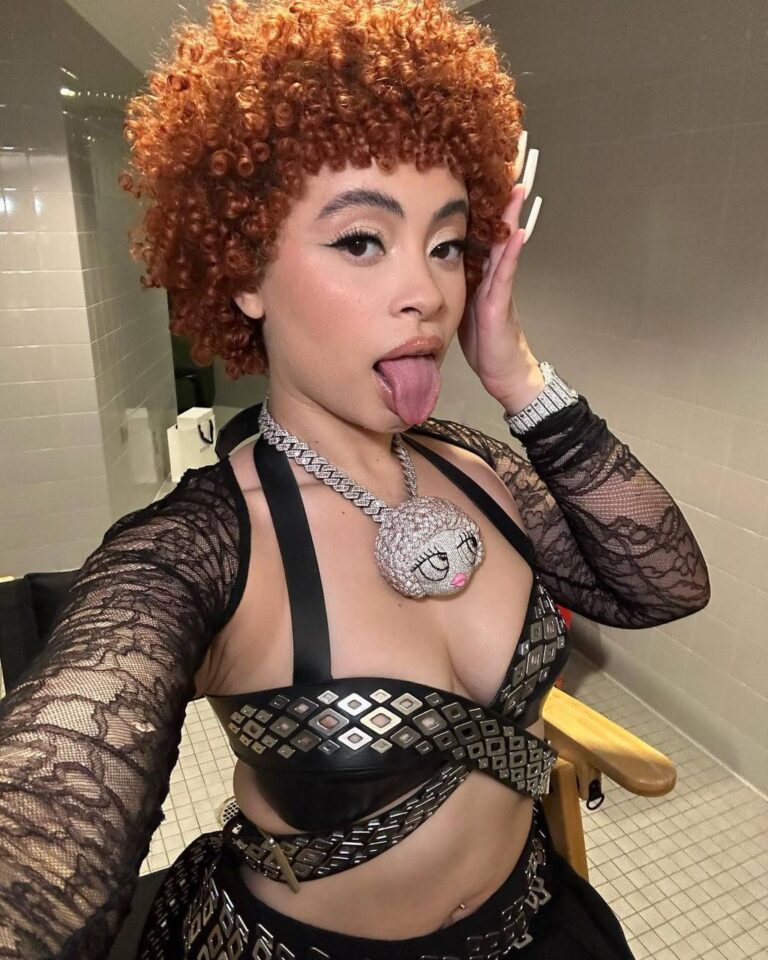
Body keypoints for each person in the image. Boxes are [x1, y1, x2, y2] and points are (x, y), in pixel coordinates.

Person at [0, 1, 711, 957]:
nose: (426, 293)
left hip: (535, 920)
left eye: (446, 245)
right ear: (245, 272)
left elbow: (663, 585)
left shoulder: (480, 464)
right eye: (361, 241)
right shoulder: (194, 549)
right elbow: (42, 838)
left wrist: (515, 375)